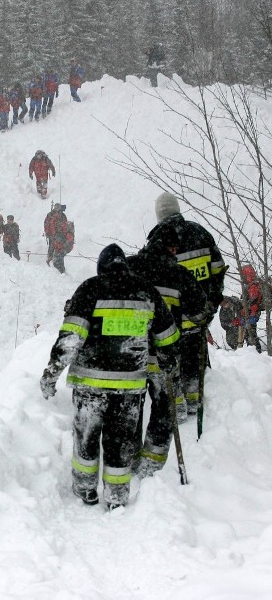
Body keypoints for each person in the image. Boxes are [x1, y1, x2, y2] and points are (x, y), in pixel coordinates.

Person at [39, 244, 179, 509]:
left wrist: (51, 372)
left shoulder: (90, 289)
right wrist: (169, 360)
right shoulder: (145, 292)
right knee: (120, 444)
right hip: (129, 387)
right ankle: (116, 497)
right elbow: (168, 336)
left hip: (90, 385)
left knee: (86, 440)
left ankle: (85, 490)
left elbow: (71, 338)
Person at [126, 224, 207, 474]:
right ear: (171, 248)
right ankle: (152, 464)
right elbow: (199, 311)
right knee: (163, 409)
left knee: (130, 409)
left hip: (131, 355)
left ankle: (127, 460)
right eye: (175, 248)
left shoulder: (128, 267)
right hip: (165, 356)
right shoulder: (179, 274)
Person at [149, 192, 226, 416]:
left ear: (159, 214)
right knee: (197, 364)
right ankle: (196, 402)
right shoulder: (201, 234)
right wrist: (211, 305)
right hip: (199, 318)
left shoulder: (157, 240)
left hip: (172, 323)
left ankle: (179, 408)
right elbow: (218, 270)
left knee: (174, 367)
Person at [238, 264, 264, 352]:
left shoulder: (252, 286)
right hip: (251, 313)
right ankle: (255, 351)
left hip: (252, 314)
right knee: (250, 334)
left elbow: (253, 302)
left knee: (250, 335)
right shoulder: (252, 284)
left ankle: (256, 352)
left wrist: (247, 312)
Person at [44, 203, 71, 273]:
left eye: (58, 207)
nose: (57, 208)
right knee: (52, 246)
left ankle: (57, 263)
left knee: (59, 248)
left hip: (61, 235)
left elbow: (66, 225)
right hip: (51, 234)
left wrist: (65, 234)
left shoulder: (63, 215)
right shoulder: (50, 214)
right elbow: (46, 223)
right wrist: (47, 232)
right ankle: (50, 259)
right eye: (56, 207)